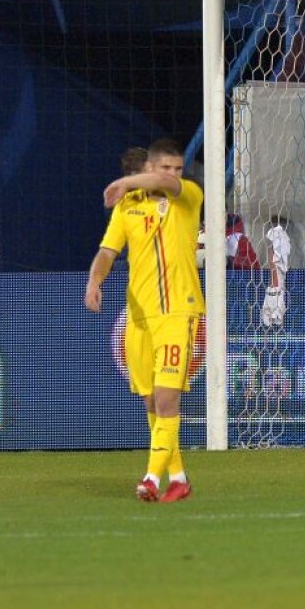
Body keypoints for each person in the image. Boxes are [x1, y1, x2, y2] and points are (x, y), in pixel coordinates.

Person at [84, 139, 203, 502]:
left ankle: (151, 479)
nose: (172, 175)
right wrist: (94, 280)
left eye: (177, 169)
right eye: (165, 168)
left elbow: (166, 186)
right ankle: (179, 478)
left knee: (168, 401)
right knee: (153, 404)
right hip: (138, 318)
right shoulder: (128, 208)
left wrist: (126, 183)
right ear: (150, 167)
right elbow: (108, 250)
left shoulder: (189, 197)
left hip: (177, 314)